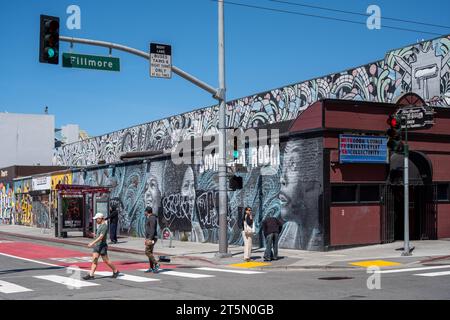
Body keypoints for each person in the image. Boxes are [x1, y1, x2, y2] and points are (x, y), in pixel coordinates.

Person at [83, 213, 120, 280]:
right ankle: (91, 275)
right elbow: (99, 235)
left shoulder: (104, 226)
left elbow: (101, 237)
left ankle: (116, 271)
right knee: (95, 260)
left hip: (102, 246)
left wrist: (92, 243)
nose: (96, 220)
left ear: (101, 218)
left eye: (97, 219)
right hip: (97, 246)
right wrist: (94, 234)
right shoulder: (100, 225)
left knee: (106, 261)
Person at [144, 207, 160, 273]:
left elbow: (152, 229)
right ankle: (151, 267)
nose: (144, 213)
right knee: (150, 252)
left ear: (147, 212)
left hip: (152, 238)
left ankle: (156, 264)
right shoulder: (150, 218)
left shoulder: (152, 218)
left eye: (145, 211)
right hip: (150, 238)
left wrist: (150, 239)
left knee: (147, 251)